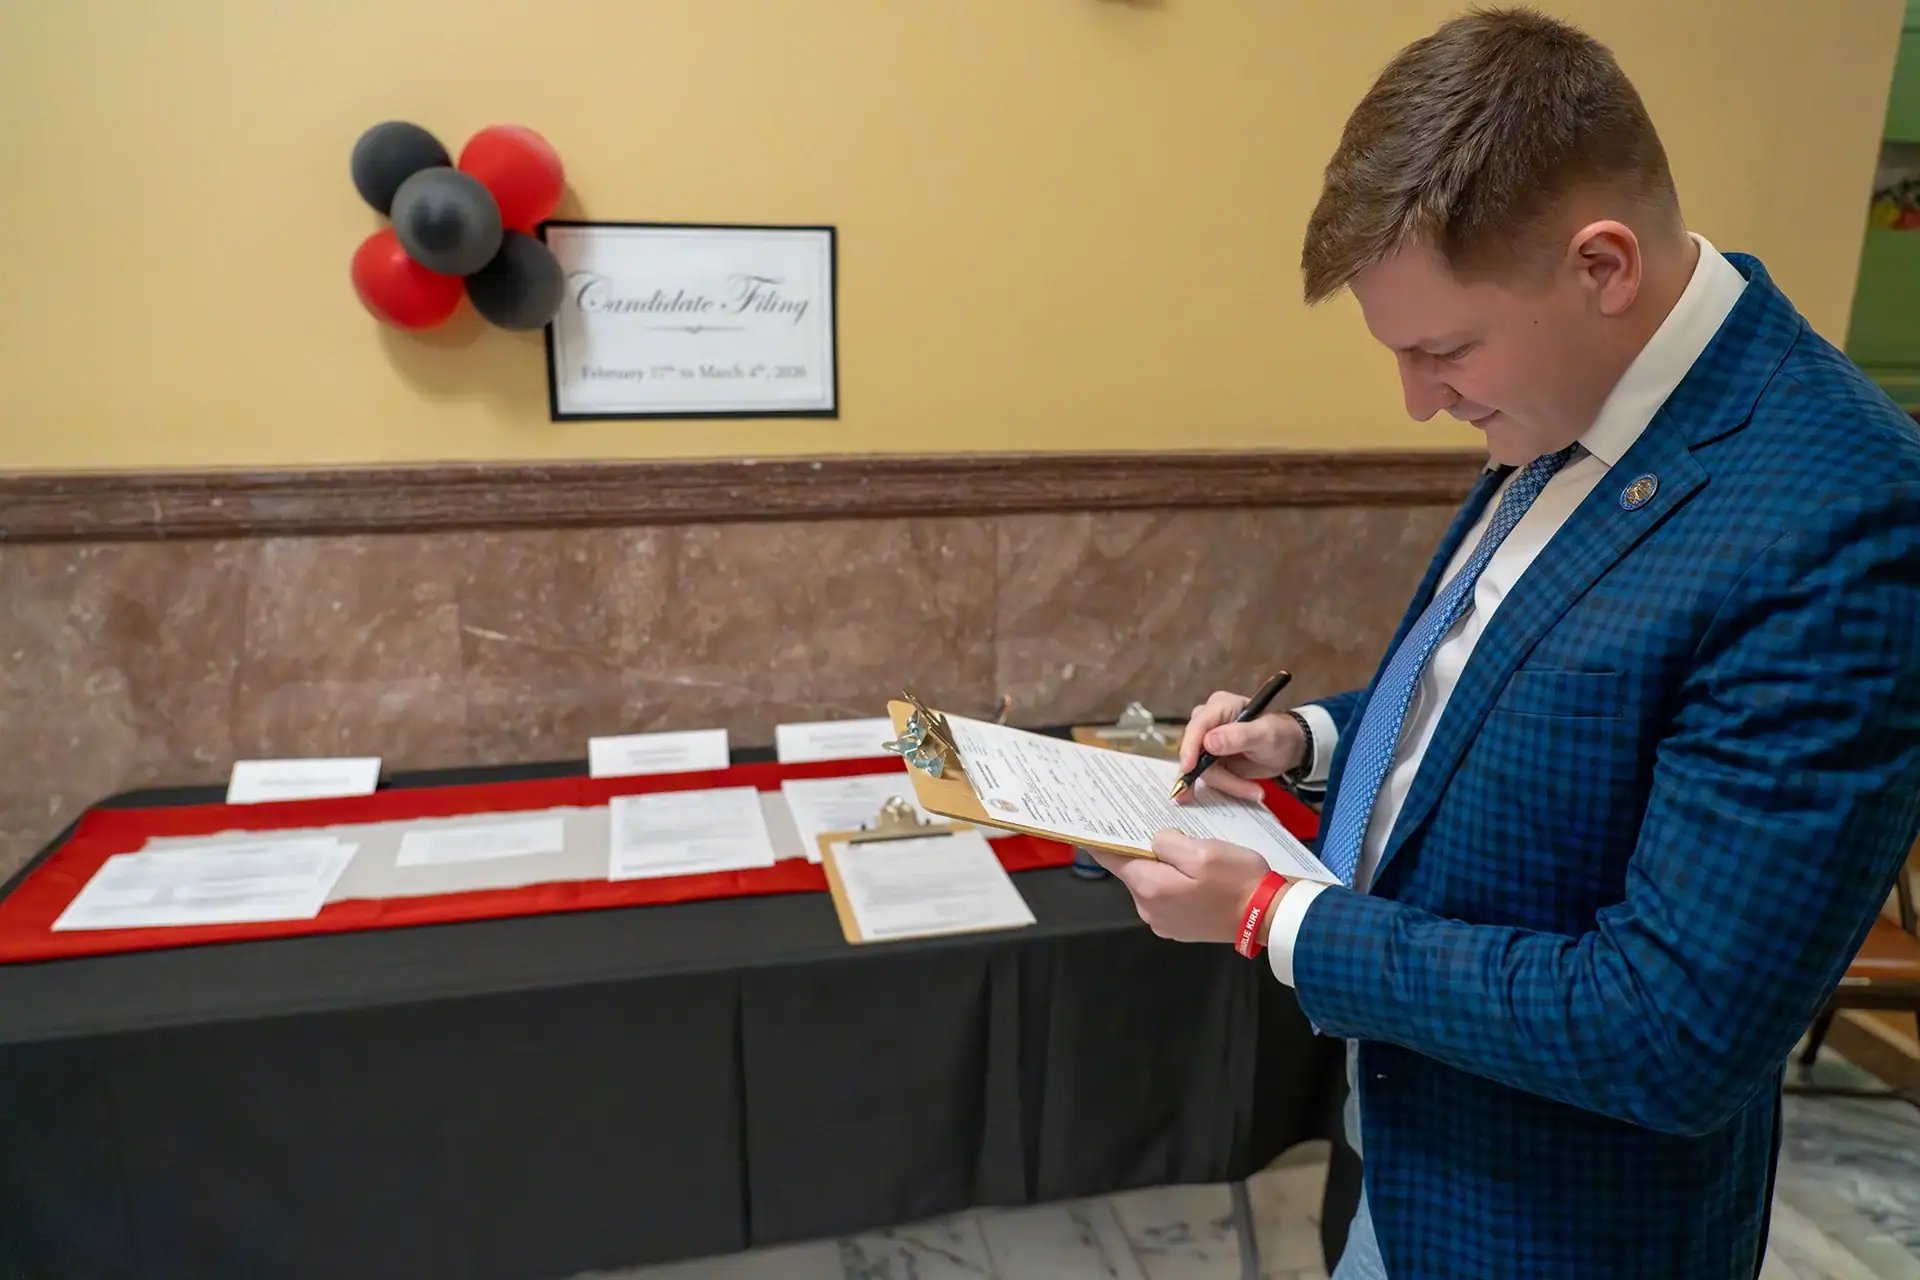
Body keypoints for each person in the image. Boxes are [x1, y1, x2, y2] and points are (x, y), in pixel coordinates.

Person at [1090, 8, 1920, 1278]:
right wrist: (1307, 740)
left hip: (1561, 1223)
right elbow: (1492, 678)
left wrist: (1271, 915)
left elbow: (1673, 1028)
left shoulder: (1843, 514)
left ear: (1602, 265)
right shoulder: (1579, 397)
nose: (1420, 399)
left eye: (1443, 349)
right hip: (1412, 1152)